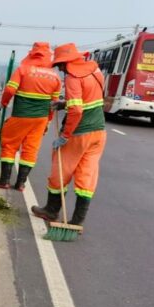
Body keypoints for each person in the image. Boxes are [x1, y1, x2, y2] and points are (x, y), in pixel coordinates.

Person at [32, 43, 106, 227]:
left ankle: (51, 211)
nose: (61, 70)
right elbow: (90, 99)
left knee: (60, 171)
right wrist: (63, 104)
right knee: (86, 175)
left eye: (60, 66)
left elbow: (77, 110)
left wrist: (65, 135)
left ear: (66, 63)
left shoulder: (73, 78)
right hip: (99, 133)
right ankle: (77, 221)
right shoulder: (96, 72)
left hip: (79, 133)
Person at [0, 42, 62, 191]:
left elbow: (10, 90)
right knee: (31, 149)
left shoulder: (23, 69)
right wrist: (48, 122)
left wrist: (3, 103)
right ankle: (21, 183)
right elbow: (54, 103)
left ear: (32, 54)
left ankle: (4, 180)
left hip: (21, 115)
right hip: (41, 119)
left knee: (10, 146)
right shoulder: (55, 77)